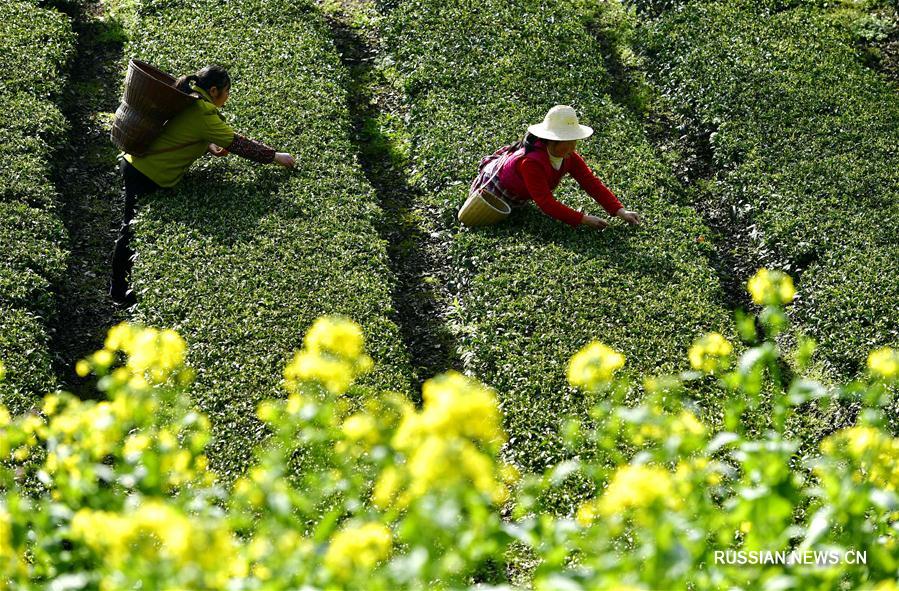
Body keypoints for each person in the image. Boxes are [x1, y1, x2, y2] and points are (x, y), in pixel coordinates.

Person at [110, 64, 296, 305]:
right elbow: (238, 144)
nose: (228, 97)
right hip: (145, 173)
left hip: (135, 163)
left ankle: (119, 286)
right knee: (130, 229)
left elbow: (179, 131)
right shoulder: (204, 113)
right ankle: (117, 290)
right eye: (227, 91)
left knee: (131, 227)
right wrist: (276, 157)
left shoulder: (190, 98)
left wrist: (207, 145)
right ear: (215, 90)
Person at [470, 105, 642, 230]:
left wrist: (620, 210)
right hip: (496, 191)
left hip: (521, 193)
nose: (571, 148)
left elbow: (590, 182)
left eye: (573, 142)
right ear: (550, 141)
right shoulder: (531, 163)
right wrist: (582, 219)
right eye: (565, 143)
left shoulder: (569, 156)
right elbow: (545, 202)